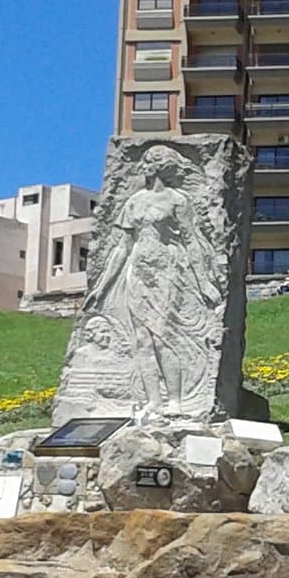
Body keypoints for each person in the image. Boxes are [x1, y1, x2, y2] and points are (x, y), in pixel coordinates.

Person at [84, 145, 222, 415]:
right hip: (138, 274)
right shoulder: (133, 201)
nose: (143, 165)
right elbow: (121, 248)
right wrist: (101, 287)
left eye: (149, 161)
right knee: (142, 340)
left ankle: (175, 401)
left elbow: (191, 241)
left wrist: (204, 282)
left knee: (162, 337)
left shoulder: (177, 200)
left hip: (167, 272)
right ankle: (153, 402)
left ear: (161, 166)